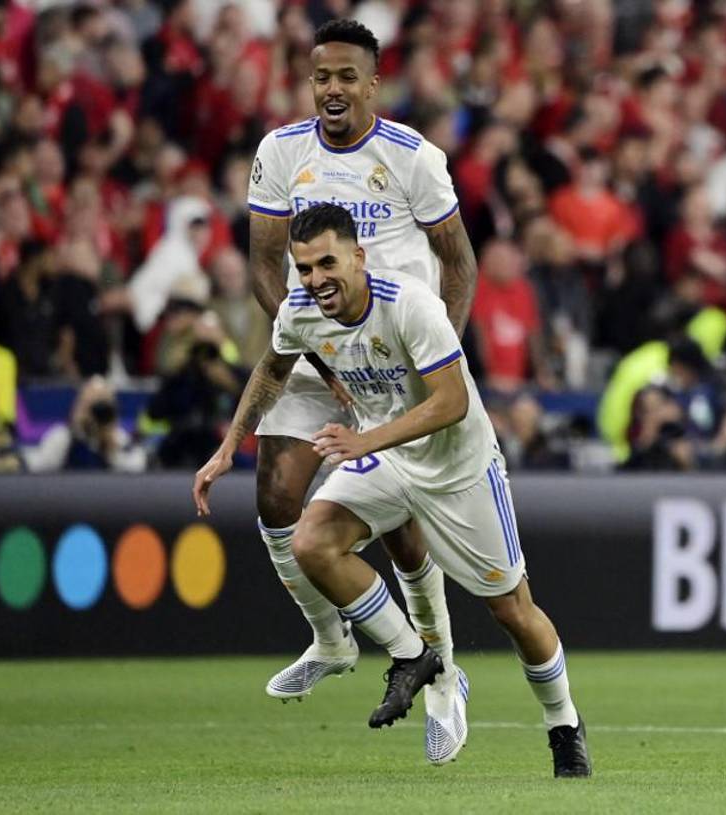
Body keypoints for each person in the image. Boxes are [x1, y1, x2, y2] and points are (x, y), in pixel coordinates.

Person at [193, 204, 590, 778]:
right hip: (386, 456)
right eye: (303, 268)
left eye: (327, 262)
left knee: (512, 610)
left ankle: (565, 725)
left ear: (358, 257)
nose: (315, 279)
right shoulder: (302, 310)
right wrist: (229, 447)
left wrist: (367, 438)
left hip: (459, 468)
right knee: (311, 543)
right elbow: (272, 370)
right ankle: (416, 656)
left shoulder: (408, 304)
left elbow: (452, 402)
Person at [242, 20, 478, 765]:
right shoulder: (281, 151)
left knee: (402, 528)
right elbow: (262, 264)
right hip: (315, 348)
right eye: (322, 78)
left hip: (395, 358)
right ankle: (331, 635)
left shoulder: (412, 157)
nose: (334, 89)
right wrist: (308, 339)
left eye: (348, 76)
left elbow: (459, 263)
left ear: (374, 83)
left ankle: (441, 673)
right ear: (310, 82)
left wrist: (437, 359)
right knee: (276, 499)